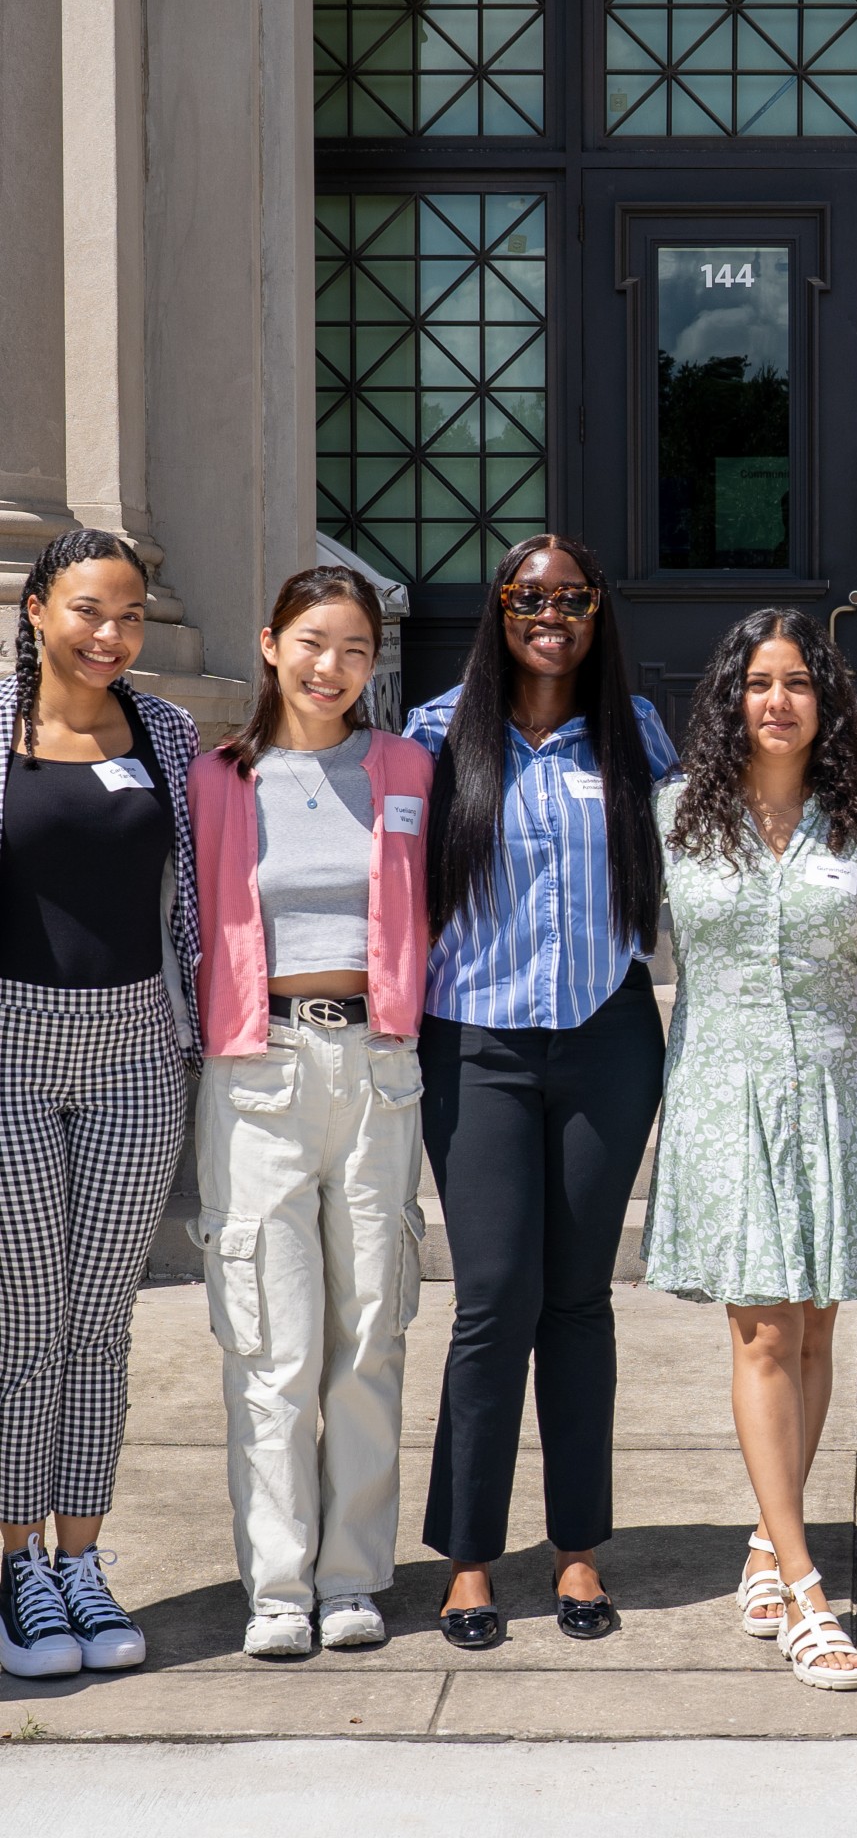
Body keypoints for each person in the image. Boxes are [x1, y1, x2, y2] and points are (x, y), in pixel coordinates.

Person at [645, 609, 857, 1691]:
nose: (778, 700)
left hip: (835, 1094)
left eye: (799, 682)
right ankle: (808, 1586)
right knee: (763, 1331)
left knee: (812, 1333)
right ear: (730, 701)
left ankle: (769, 1538)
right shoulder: (675, 818)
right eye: (758, 682)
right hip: (724, 1095)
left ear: (828, 703)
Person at [405, 533, 676, 1650]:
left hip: (605, 1039)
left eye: (571, 596)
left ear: (600, 609)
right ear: (500, 608)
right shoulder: (432, 734)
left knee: (579, 1302)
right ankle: (470, 1559)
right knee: (492, 1301)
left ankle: (576, 1550)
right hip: (476, 1046)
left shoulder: (636, 735)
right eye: (529, 595)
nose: (550, 613)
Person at [189, 565, 433, 1658]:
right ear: (272, 643)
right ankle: (279, 1585)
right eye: (313, 642)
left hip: (378, 1074)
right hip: (258, 1076)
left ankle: (354, 1578)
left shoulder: (405, 768)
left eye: (356, 650)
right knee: (272, 1347)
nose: (332, 667)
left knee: (369, 1337)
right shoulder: (217, 780)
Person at [0, 530, 202, 1680]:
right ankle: (16, 1564)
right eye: (87, 610)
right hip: (14, 1042)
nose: (110, 635)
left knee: (103, 1323)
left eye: (128, 615)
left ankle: (82, 1558)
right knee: (27, 1323)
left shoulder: (167, 733)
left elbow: (198, 895)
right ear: (37, 609)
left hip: (134, 1048)